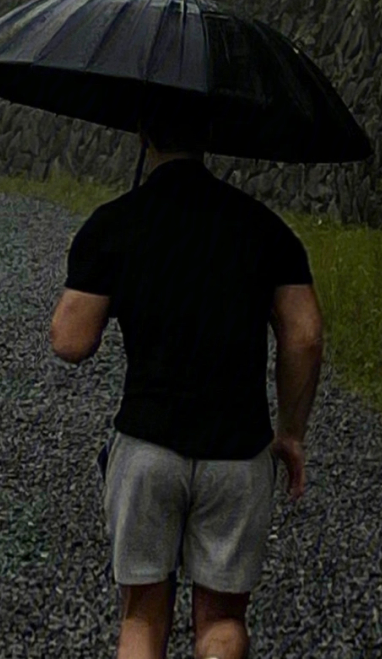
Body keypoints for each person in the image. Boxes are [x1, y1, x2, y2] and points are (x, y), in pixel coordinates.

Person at [50, 95, 324, 659]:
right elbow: (304, 334)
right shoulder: (264, 229)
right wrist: (290, 431)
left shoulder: (115, 223)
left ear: (143, 132)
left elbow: (70, 340)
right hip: (238, 454)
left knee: (141, 619)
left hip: (147, 449)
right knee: (222, 622)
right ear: (209, 135)